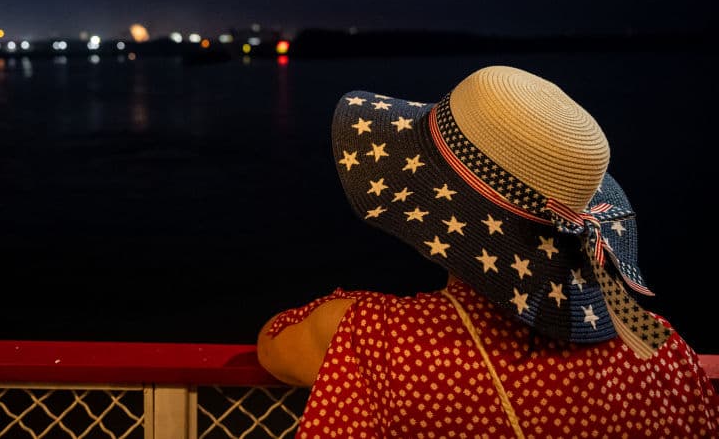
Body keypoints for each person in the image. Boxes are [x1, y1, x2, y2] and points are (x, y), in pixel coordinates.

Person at [257, 65, 718, 438]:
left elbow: (273, 347)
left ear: (436, 201)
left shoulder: (382, 340)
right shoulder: (662, 353)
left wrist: (343, 311)